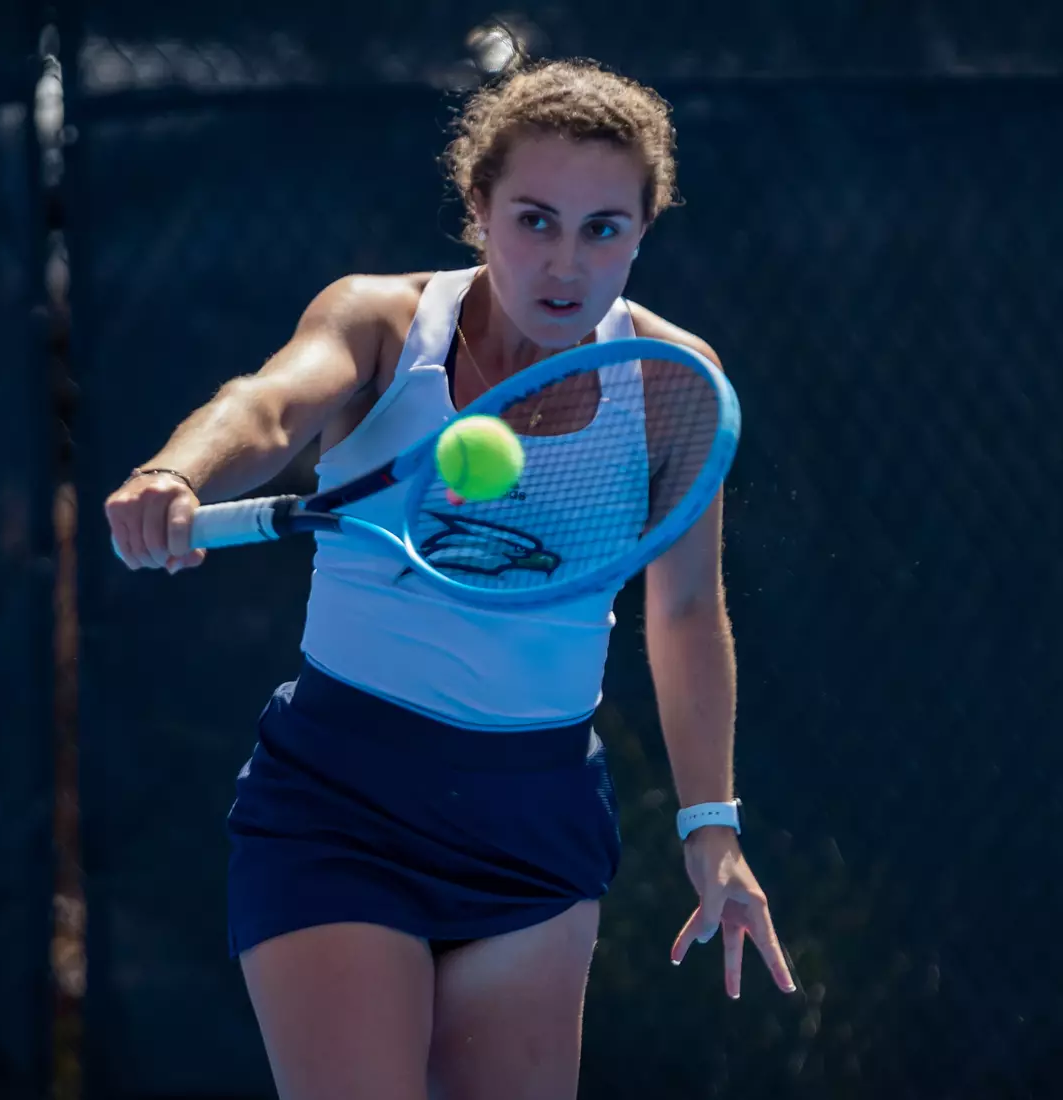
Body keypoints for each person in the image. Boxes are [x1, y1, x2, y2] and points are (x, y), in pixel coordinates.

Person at [104, 56, 794, 1100]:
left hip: (536, 816)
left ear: (645, 230)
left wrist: (712, 826)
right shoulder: (382, 324)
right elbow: (267, 407)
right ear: (477, 208)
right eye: (534, 218)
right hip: (341, 799)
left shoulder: (673, 385)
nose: (566, 261)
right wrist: (176, 471)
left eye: (604, 227)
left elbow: (688, 610)